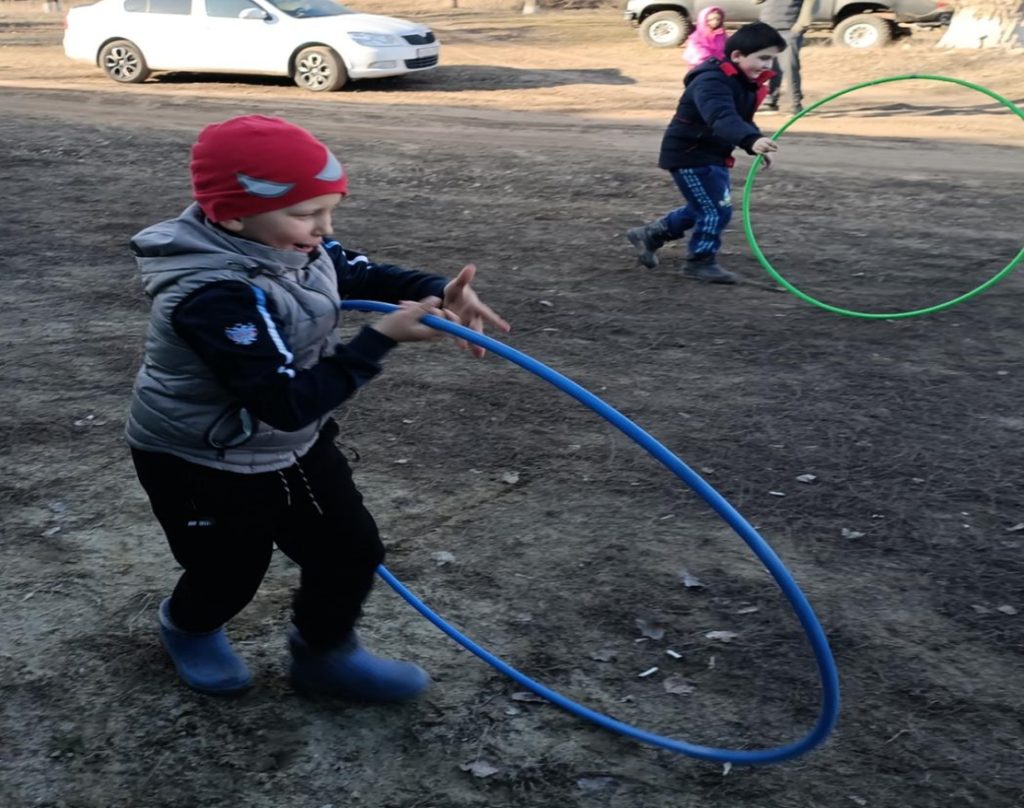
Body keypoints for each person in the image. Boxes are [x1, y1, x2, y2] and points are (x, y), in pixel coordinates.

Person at [126, 115, 509, 700]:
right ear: (232, 215)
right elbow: (287, 401)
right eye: (307, 215)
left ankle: (323, 654)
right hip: (200, 456)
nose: (324, 230)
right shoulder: (211, 294)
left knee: (351, 550)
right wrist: (379, 339)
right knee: (229, 572)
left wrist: (438, 287)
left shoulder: (290, 243)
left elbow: (356, 268)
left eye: (329, 210)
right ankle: (189, 627)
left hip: (288, 443)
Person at [626, 22, 784, 284]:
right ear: (737, 56)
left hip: (712, 154)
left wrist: (754, 142)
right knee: (715, 211)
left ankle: (650, 234)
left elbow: (739, 118)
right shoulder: (711, 82)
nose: (768, 66)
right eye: (763, 58)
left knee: (705, 206)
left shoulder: (743, 82)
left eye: (772, 59)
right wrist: (749, 139)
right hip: (689, 154)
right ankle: (700, 262)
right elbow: (720, 117)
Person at [756, 0, 813, 114]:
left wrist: (800, 26)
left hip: (788, 30)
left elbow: (809, 5)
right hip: (768, 28)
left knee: (789, 67)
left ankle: (795, 104)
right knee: (771, 67)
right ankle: (771, 101)